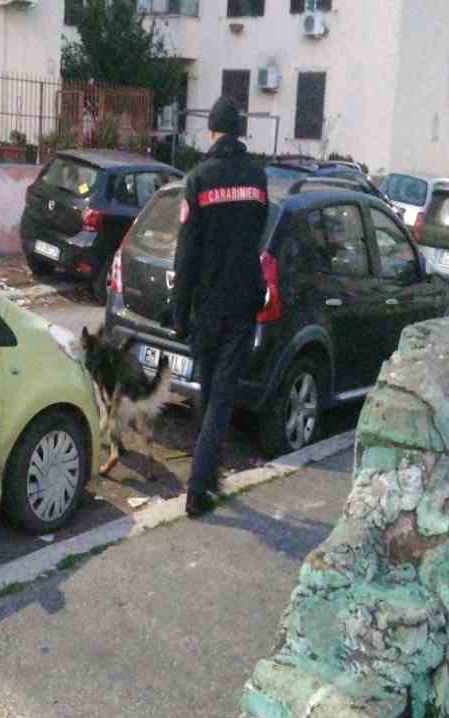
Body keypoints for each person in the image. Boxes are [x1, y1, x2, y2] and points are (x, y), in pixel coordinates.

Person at [172, 96, 269, 518]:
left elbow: (186, 254)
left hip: (206, 306)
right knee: (218, 398)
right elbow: (258, 235)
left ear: (211, 131)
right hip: (242, 301)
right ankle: (206, 480)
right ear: (239, 130)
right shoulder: (257, 178)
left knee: (210, 394)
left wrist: (178, 314)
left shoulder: (198, 180)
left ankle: (199, 485)